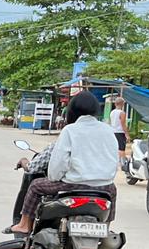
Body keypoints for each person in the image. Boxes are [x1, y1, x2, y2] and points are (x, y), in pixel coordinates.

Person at [9, 91, 118, 235]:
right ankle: (106, 227)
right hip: (104, 187)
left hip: (73, 185)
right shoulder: (108, 130)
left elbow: (58, 165)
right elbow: (114, 159)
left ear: (72, 111)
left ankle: (24, 225)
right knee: (113, 191)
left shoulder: (70, 130)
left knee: (35, 186)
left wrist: (54, 177)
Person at [108, 96, 129, 171]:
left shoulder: (112, 112)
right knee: (121, 148)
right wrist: (127, 134)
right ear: (122, 104)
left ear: (115, 104)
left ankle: (115, 163)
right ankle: (123, 164)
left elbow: (110, 122)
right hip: (120, 132)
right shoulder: (122, 113)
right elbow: (123, 124)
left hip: (113, 131)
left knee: (115, 148)